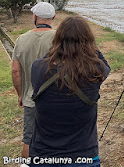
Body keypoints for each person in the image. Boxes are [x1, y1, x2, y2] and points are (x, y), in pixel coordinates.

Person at [29, 16, 110, 166]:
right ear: (88, 42)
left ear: (57, 40)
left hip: (43, 155)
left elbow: (49, 59)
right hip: (83, 155)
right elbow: (105, 65)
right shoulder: (95, 71)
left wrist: (57, 49)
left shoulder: (37, 68)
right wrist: (91, 47)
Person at [11, 2, 56, 158]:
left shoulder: (21, 39)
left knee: (29, 140)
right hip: (56, 99)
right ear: (53, 17)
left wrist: (20, 94)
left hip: (31, 99)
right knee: (55, 138)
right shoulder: (59, 39)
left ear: (35, 17)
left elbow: (15, 71)